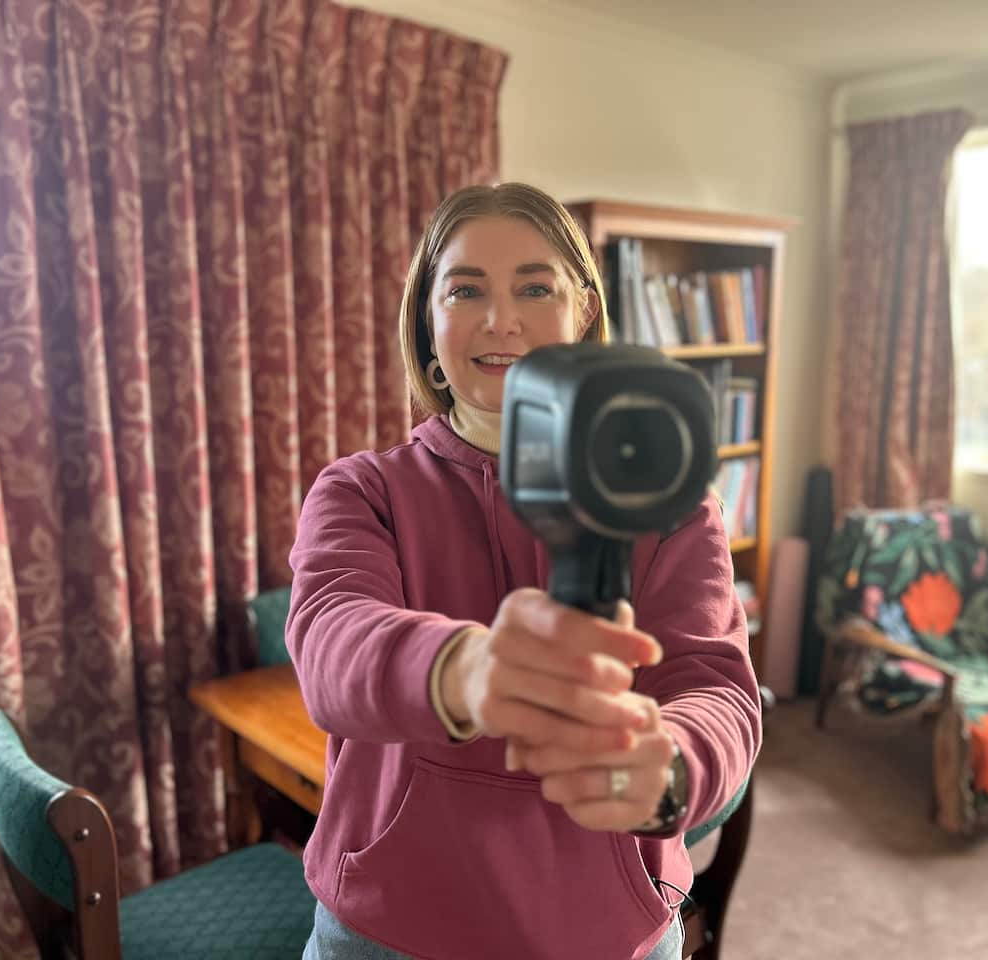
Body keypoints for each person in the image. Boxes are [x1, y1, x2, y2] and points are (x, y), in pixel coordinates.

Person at [286, 182, 762, 960]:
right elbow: (330, 646)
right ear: (428, 324)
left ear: (582, 310)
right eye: (465, 289)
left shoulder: (671, 506)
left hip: (611, 934)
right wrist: (463, 668)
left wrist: (669, 767)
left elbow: (716, 687)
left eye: (534, 287)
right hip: (389, 930)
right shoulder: (362, 490)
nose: (500, 319)